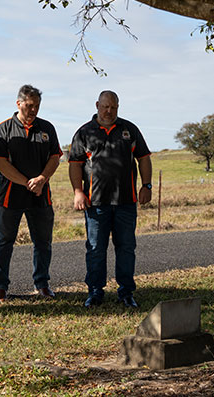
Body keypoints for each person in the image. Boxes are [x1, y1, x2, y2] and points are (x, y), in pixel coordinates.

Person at [69, 90, 152, 308]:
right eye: (105, 106)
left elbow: (143, 158)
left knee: (126, 248)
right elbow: (75, 165)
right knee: (96, 248)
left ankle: (126, 293)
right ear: (97, 105)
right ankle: (95, 292)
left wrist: (147, 185)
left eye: (113, 107)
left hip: (126, 202)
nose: (109, 111)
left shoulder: (129, 129)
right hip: (96, 203)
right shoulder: (84, 133)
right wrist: (78, 192)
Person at [0, 84, 62, 302]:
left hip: (41, 194)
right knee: (4, 242)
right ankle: (0, 286)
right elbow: (0, 162)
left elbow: (55, 157)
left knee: (43, 242)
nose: (33, 110)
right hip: (11, 195)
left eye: (37, 106)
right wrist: (25, 182)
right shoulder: (3, 128)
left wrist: (41, 179)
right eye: (29, 106)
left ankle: (42, 283)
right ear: (18, 103)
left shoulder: (47, 128)